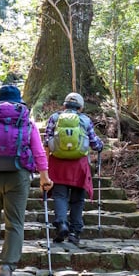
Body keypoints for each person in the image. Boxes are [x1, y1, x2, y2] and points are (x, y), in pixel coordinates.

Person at [0, 84, 52, 276]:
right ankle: (6, 266)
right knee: (15, 223)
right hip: (18, 175)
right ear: (18, 101)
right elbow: (39, 151)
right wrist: (44, 176)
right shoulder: (26, 120)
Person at [43, 92, 104, 245]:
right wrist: (100, 146)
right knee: (77, 200)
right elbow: (94, 143)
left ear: (64, 105)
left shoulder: (54, 118)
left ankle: (62, 224)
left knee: (60, 196)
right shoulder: (85, 120)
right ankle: (74, 232)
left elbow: (47, 140)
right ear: (81, 107)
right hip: (79, 165)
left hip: (58, 164)